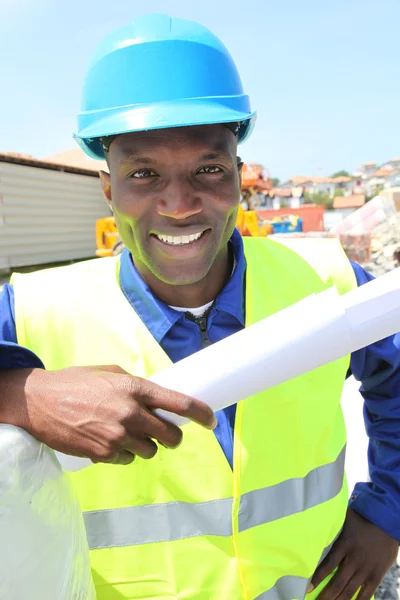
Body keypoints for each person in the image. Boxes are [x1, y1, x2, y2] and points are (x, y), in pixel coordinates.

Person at [0, 13, 399, 600]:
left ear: (240, 177)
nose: (180, 204)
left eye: (209, 169)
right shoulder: (33, 309)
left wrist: (386, 512)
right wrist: (20, 393)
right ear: (110, 189)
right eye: (144, 173)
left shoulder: (329, 280)